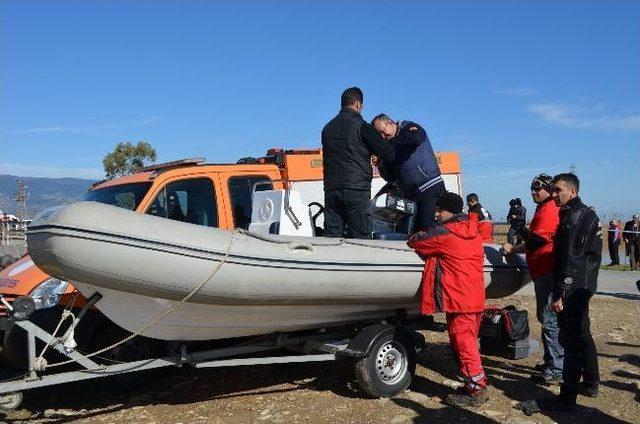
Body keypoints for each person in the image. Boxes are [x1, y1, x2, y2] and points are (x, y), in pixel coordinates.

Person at [407, 192, 488, 407]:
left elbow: (417, 241)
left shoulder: (446, 233)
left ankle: (477, 390)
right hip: (473, 296)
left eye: (439, 210)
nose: (436, 213)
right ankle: (473, 384)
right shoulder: (473, 230)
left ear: (448, 211)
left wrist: (414, 233)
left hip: (459, 299)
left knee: (464, 344)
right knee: (467, 341)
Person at [502, 173, 563, 384]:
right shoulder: (543, 208)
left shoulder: (549, 209)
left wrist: (521, 234)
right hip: (542, 270)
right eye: (532, 189)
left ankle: (556, 368)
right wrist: (516, 247)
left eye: (538, 189)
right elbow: (536, 240)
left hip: (547, 271)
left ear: (549, 189)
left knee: (549, 320)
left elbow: (538, 241)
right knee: (547, 319)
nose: (534, 192)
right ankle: (552, 362)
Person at [548, 173, 601, 410]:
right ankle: (590, 382)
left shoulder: (576, 217)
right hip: (583, 284)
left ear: (573, 191)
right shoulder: (581, 214)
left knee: (570, 339)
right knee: (582, 333)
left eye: (558, 190)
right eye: (552, 190)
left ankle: (567, 397)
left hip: (575, 286)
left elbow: (572, 258)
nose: (553, 194)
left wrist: (561, 292)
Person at [321, 87, 395, 238]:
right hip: (356, 190)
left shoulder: (327, 129)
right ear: (358, 104)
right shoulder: (362, 127)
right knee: (361, 239)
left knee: (332, 238)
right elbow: (386, 151)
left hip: (331, 189)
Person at [371, 114, 445, 232]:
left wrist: (384, 147)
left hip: (429, 187)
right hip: (410, 195)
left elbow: (414, 139)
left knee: (426, 230)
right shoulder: (390, 147)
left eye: (383, 131)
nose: (383, 137)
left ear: (390, 122)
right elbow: (390, 177)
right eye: (379, 136)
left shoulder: (410, 128)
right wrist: (381, 165)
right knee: (412, 234)